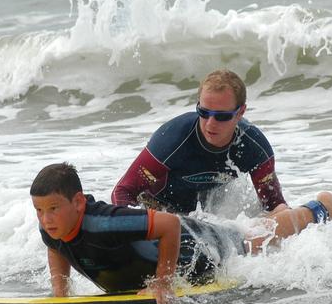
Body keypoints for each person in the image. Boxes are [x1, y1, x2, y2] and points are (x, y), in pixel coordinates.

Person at [32, 163, 332, 304]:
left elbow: (169, 225)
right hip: (177, 242)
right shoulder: (55, 226)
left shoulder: (104, 223)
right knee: (252, 234)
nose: (46, 219)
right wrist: (61, 295)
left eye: (53, 209)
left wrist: (163, 282)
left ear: (78, 202)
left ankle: (319, 207)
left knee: (254, 242)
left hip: (196, 244)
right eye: (39, 211)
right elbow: (56, 246)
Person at [112, 69, 286, 215]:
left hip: (207, 220)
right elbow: (122, 191)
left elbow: (274, 206)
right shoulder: (173, 139)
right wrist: (139, 230)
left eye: (221, 116)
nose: (210, 123)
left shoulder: (254, 147)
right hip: (159, 211)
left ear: (241, 112)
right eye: (203, 112)